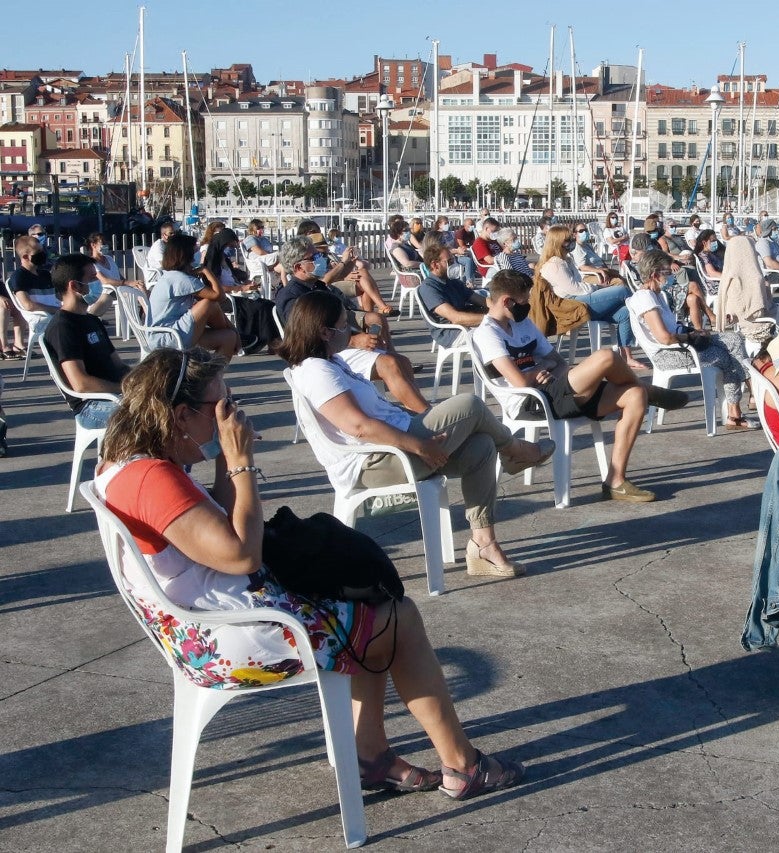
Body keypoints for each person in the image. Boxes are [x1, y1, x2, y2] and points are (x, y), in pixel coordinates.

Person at [96, 346, 525, 796]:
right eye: (221, 405)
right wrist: (241, 462)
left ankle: (370, 757)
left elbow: (220, 520)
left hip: (202, 619)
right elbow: (243, 555)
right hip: (227, 636)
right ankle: (462, 764)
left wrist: (225, 455)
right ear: (181, 415)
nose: (231, 413)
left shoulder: (128, 463)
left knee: (366, 602)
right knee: (399, 617)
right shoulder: (151, 479)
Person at [283, 290, 552, 578]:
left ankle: (483, 545)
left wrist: (419, 427)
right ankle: (516, 451)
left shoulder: (334, 361)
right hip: (376, 461)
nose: (351, 329)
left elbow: (379, 413)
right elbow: (358, 427)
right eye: (344, 323)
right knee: (470, 404)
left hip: (398, 444)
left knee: (482, 445)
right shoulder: (316, 372)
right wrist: (419, 445)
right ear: (325, 332)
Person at [476, 269, 681, 502]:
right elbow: (520, 381)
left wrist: (542, 366)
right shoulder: (487, 334)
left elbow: (559, 362)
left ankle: (615, 481)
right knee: (607, 356)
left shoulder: (522, 324)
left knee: (634, 395)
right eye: (525, 300)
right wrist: (539, 369)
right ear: (507, 301)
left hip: (556, 388)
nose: (529, 304)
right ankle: (649, 389)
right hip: (531, 400)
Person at [275, 237, 424, 413]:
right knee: (390, 364)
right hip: (322, 358)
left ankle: (418, 412)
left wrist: (347, 263)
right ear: (298, 268)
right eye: (313, 257)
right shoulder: (293, 298)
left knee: (403, 362)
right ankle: (427, 418)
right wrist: (354, 341)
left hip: (338, 348)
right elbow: (309, 333)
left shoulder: (316, 286)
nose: (320, 259)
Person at [629, 250, 754, 431]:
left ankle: (740, 408)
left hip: (681, 344)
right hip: (668, 354)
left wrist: (695, 333)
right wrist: (692, 336)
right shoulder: (644, 298)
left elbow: (673, 329)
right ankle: (743, 405)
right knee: (727, 357)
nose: (672, 275)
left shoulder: (658, 295)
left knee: (734, 339)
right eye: (667, 272)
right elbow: (664, 338)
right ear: (655, 275)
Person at [42, 253, 131, 428]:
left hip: (115, 395)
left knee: (173, 403)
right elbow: (80, 384)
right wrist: (123, 389)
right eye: (92, 278)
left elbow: (119, 366)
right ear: (74, 286)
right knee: (152, 416)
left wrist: (145, 381)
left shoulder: (92, 320)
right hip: (91, 406)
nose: (99, 283)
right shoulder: (63, 327)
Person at [536, 224, 639, 368]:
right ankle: (646, 316)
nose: (571, 243)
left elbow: (579, 282)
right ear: (557, 242)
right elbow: (575, 289)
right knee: (622, 291)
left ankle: (626, 356)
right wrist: (597, 287)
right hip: (572, 304)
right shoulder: (554, 265)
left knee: (626, 312)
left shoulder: (566, 260)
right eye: (567, 240)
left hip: (581, 299)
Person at [146, 232, 240, 360]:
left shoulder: (171, 276)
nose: (197, 255)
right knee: (209, 303)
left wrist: (233, 331)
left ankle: (212, 377)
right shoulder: (181, 279)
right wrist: (206, 271)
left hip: (167, 333)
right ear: (186, 255)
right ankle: (239, 339)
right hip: (168, 337)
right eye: (194, 251)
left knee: (228, 337)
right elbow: (219, 296)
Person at [202, 229, 280, 355]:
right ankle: (262, 341)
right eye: (231, 246)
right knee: (260, 307)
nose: (233, 249)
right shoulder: (212, 262)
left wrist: (246, 285)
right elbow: (215, 287)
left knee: (268, 305)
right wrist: (240, 289)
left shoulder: (225, 260)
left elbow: (234, 279)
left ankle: (271, 341)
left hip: (236, 293)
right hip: (225, 298)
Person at [417, 241, 488, 342]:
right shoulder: (429, 288)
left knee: (508, 324)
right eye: (449, 262)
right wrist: (491, 319)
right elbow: (455, 318)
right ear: (435, 265)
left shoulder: (453, 282)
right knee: (494, 333)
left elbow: (482, 301)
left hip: (466, 323)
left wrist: (502, 308)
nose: (454, 264)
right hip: (452, 333)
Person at [715, 234, 776, 348]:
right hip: (760, 327)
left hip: (745, 327)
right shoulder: (755, 277)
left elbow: (732, 312)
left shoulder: (729, 277)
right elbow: (758, 311)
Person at [436, 216, 477, 281]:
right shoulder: (436, 235)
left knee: (474, 257)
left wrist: (460, 250)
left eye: (448, 223)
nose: (447, 225)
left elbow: (457, 244)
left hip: (456, 254)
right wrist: (456, 251)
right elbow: (441, 250)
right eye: (445, 223)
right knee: (468, 260)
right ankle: (469, 281)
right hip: (447, 256)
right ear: (439, 224)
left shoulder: (451, 233)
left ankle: (469, 277)